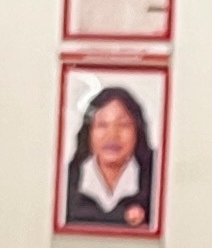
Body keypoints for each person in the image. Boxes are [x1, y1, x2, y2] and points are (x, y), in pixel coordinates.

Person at [61, 83, 158, 231]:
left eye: (123, 125)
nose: (112, 135)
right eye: (102, 125)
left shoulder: (157, 181)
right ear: (89, 132)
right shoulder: (65, 181)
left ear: (138, 131)